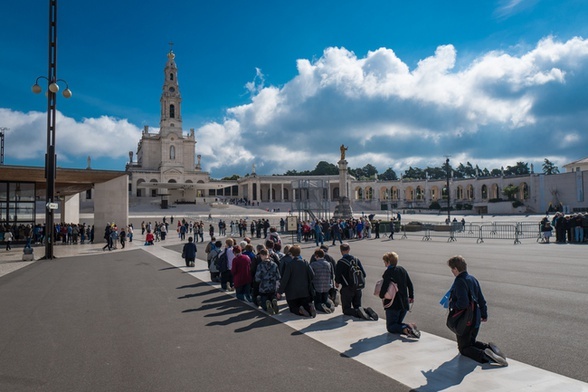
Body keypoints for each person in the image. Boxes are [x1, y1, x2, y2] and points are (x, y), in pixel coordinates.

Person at [446, 255, 508, 366]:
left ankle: (485, 355)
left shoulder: (459, 281)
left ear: (456, 269)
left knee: (464, 348)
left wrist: (451, 303)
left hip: (465, 320)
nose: (452, 271)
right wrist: (484, 314)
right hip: (476, 317)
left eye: (452, 269)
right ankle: (489, 348)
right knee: (471, 342)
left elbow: (463, 303)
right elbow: (481, 299)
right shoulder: (472, 279)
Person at [379, 252, 420, 338]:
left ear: (388, 262)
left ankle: (407, 327)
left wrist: (381, 295)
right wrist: (411, 296)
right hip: (404, 304)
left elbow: (385, 286)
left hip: (394, 304)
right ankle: (407, 329)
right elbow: (409, 284)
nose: (384, 264)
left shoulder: (388, 272)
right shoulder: (402, 270)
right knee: (397, 324)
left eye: (385, 262)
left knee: (391, 327)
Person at [335, 243, 378, 320]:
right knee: (358, 306)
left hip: (347, 288)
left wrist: (337, 282)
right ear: (349, 250)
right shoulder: (356, 260)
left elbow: (338, 276)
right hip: (358, 287)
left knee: (346, 309)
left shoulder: (340, 262)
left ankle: (358, 312)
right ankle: (366, 311)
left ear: (341, 251)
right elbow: (363, 274)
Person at [278, 245, 316, 317]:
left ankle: (300, 310)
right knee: (305, 304)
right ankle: (309, 308)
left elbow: (285, 279)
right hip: (305, 292)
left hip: (292, 294)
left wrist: (280, 291)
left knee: (293, 308)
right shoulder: (305, 263)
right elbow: (312, 275)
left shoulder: (290, 265)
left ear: (291, 254)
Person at [255, 248, 281, 314]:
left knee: (264, 298)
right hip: (272, 286)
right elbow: (278, 276)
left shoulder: (260, 265)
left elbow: (257, 278)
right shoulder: (274, 264)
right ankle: (273, 301)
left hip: (264, 286)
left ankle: (267, 306)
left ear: (262, 255)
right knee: (272, 295)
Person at [310, 248, 335, 313]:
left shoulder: (313, 265)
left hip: (317, 286)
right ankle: (330, 306)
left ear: (317, 256)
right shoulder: (328, 264)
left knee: (317, 302)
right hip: (327, 286)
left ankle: (321, 306)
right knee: (325, 299)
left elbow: (311, 276)